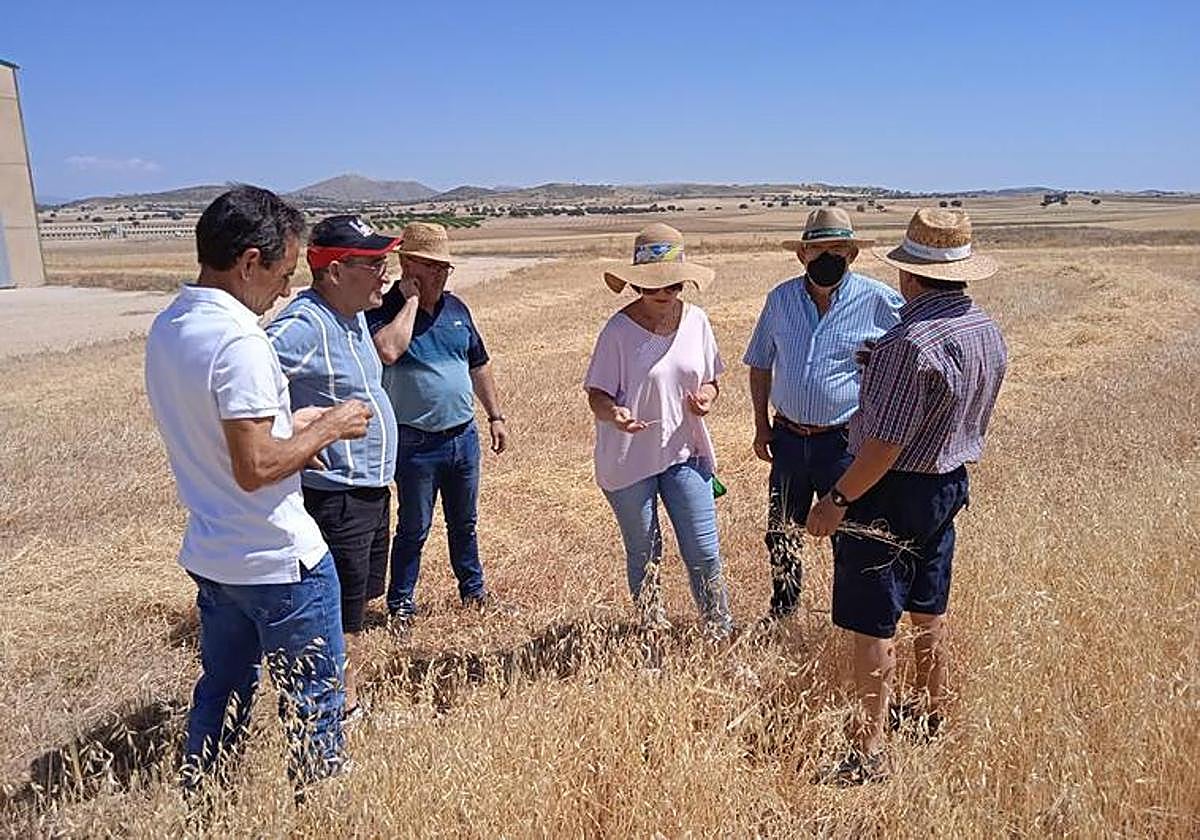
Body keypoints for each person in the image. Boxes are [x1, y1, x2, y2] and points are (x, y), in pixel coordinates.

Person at [144, 186, 371, 789]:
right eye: (283, 272)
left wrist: (296, 424)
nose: (287, 290)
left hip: (215, 557)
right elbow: (256, 468)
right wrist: (331, 426)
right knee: (314, 705)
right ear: (249, 262)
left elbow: (221, 437)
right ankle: (320, 809)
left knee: (221, 691)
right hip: (278, 560)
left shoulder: (170, 327)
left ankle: (205, 798)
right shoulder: (240, 341)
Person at [806, 208, 1008, 785]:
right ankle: (932, 712)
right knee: (929, 606)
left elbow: (884, 446)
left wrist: (836, 500)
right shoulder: (983, 327)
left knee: (873, 622)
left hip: (887, 492)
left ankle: (867, 751)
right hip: (947, 486)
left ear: (911, 274)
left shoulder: (908, 342)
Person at [266, 215, 401, 720]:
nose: (385, 274)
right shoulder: (304, 324)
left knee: (357, 604)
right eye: (374, 264)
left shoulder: (355, 315)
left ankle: (346, 702)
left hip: (368, 487)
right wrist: (291, 428)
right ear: (336, 271)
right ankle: (333, 711)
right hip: (335, 494)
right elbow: (241, 379)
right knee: (336, 612)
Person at [743, 207, 903, 620]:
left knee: (850, 534)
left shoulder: (880, 301)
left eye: (837, 250)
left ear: (853, 255)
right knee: (781, 530)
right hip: (788, 439)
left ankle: (853, 620)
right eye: (818, 250)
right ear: (802, 254)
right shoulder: (780, 300)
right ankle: (783, 610)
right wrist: (761, 425)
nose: (827, 258)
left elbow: (908, 358)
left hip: (846, 442)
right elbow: (760, 363)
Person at [584, 223, 733, 637]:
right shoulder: (617, 331)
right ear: (637, 284)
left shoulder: (697, 321)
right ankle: (651, 633)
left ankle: (719, 631)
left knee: (704, 550)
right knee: (645, 553)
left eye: (673, 284)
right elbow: (596, 394)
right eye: (654, 285)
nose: (665, 293)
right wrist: (614, 414)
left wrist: (707, 397)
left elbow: (712, 379)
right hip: (628, 459)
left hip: (685, 452)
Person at [367, 222, 509, 626]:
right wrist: (411, 302)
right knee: (414, 527)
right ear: (408, 265)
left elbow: (479, 364)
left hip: (463, 436)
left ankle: (473, 592)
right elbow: (387, 351)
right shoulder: (382, 310)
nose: (442, 275)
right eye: (433, 267)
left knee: (465, 523)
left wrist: (495, 415)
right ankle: (401, 604)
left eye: (445, 267)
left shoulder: (457, 310)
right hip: (415, 442)